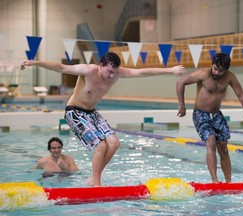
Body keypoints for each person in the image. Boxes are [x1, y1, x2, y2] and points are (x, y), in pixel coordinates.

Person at [21, 52, 187, 186]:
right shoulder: (88, 70)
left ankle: (94, 177)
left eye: (114, 72)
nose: (111, 75)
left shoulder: (117, 73)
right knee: (101, 145)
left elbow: (143, 72)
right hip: (74, 112)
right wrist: (36, 63)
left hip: (91, 113)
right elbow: (61, 67)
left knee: (114, 143)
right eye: (108, 71)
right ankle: (97, 184)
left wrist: (170, 70)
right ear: (100, 66)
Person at [176, 53, 243, 183]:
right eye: (215, 68)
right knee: (211, 142)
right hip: (200, 114)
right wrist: (182, 105)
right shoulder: (203, 74)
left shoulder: (230, 77)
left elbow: (241, 96)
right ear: (212, 65)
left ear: (226, 70)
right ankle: (215, 180)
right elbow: (180, 82)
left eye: (220, 71)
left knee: (223, 148)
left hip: (217, 115)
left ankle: (228, 182)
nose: (216, 72)